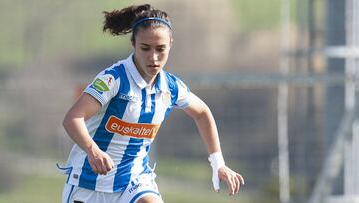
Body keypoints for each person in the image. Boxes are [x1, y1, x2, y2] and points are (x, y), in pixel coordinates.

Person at [59, 4, 244, 203]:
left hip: (134, 181)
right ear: (133, 44)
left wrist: (219, 164)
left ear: (171, 44)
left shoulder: (171, 87)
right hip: (89, 184)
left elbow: (202, 113)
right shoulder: (114, 79)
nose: (153, 58)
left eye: (160, 49)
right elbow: (72, 119)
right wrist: (93, 151)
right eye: (145, 48)